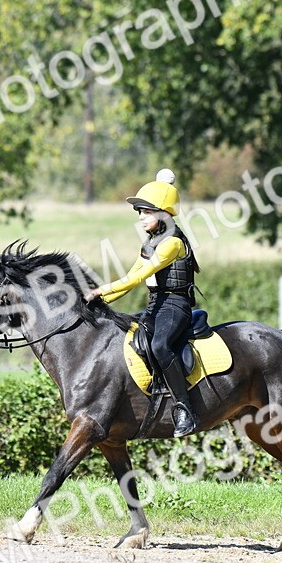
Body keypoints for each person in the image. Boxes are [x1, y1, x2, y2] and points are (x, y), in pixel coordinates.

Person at [85, 168, 200, 437]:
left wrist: (100, 290)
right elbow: (128, 277)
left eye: (146, 212)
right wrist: (96, 301)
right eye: (139, 212)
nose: (141, 217)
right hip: (155, 305)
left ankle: (186, 409)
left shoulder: (171, 243)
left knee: (160, 345)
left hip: (175, 306)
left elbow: (139, 278)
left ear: (163, 213)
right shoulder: (150, 243)